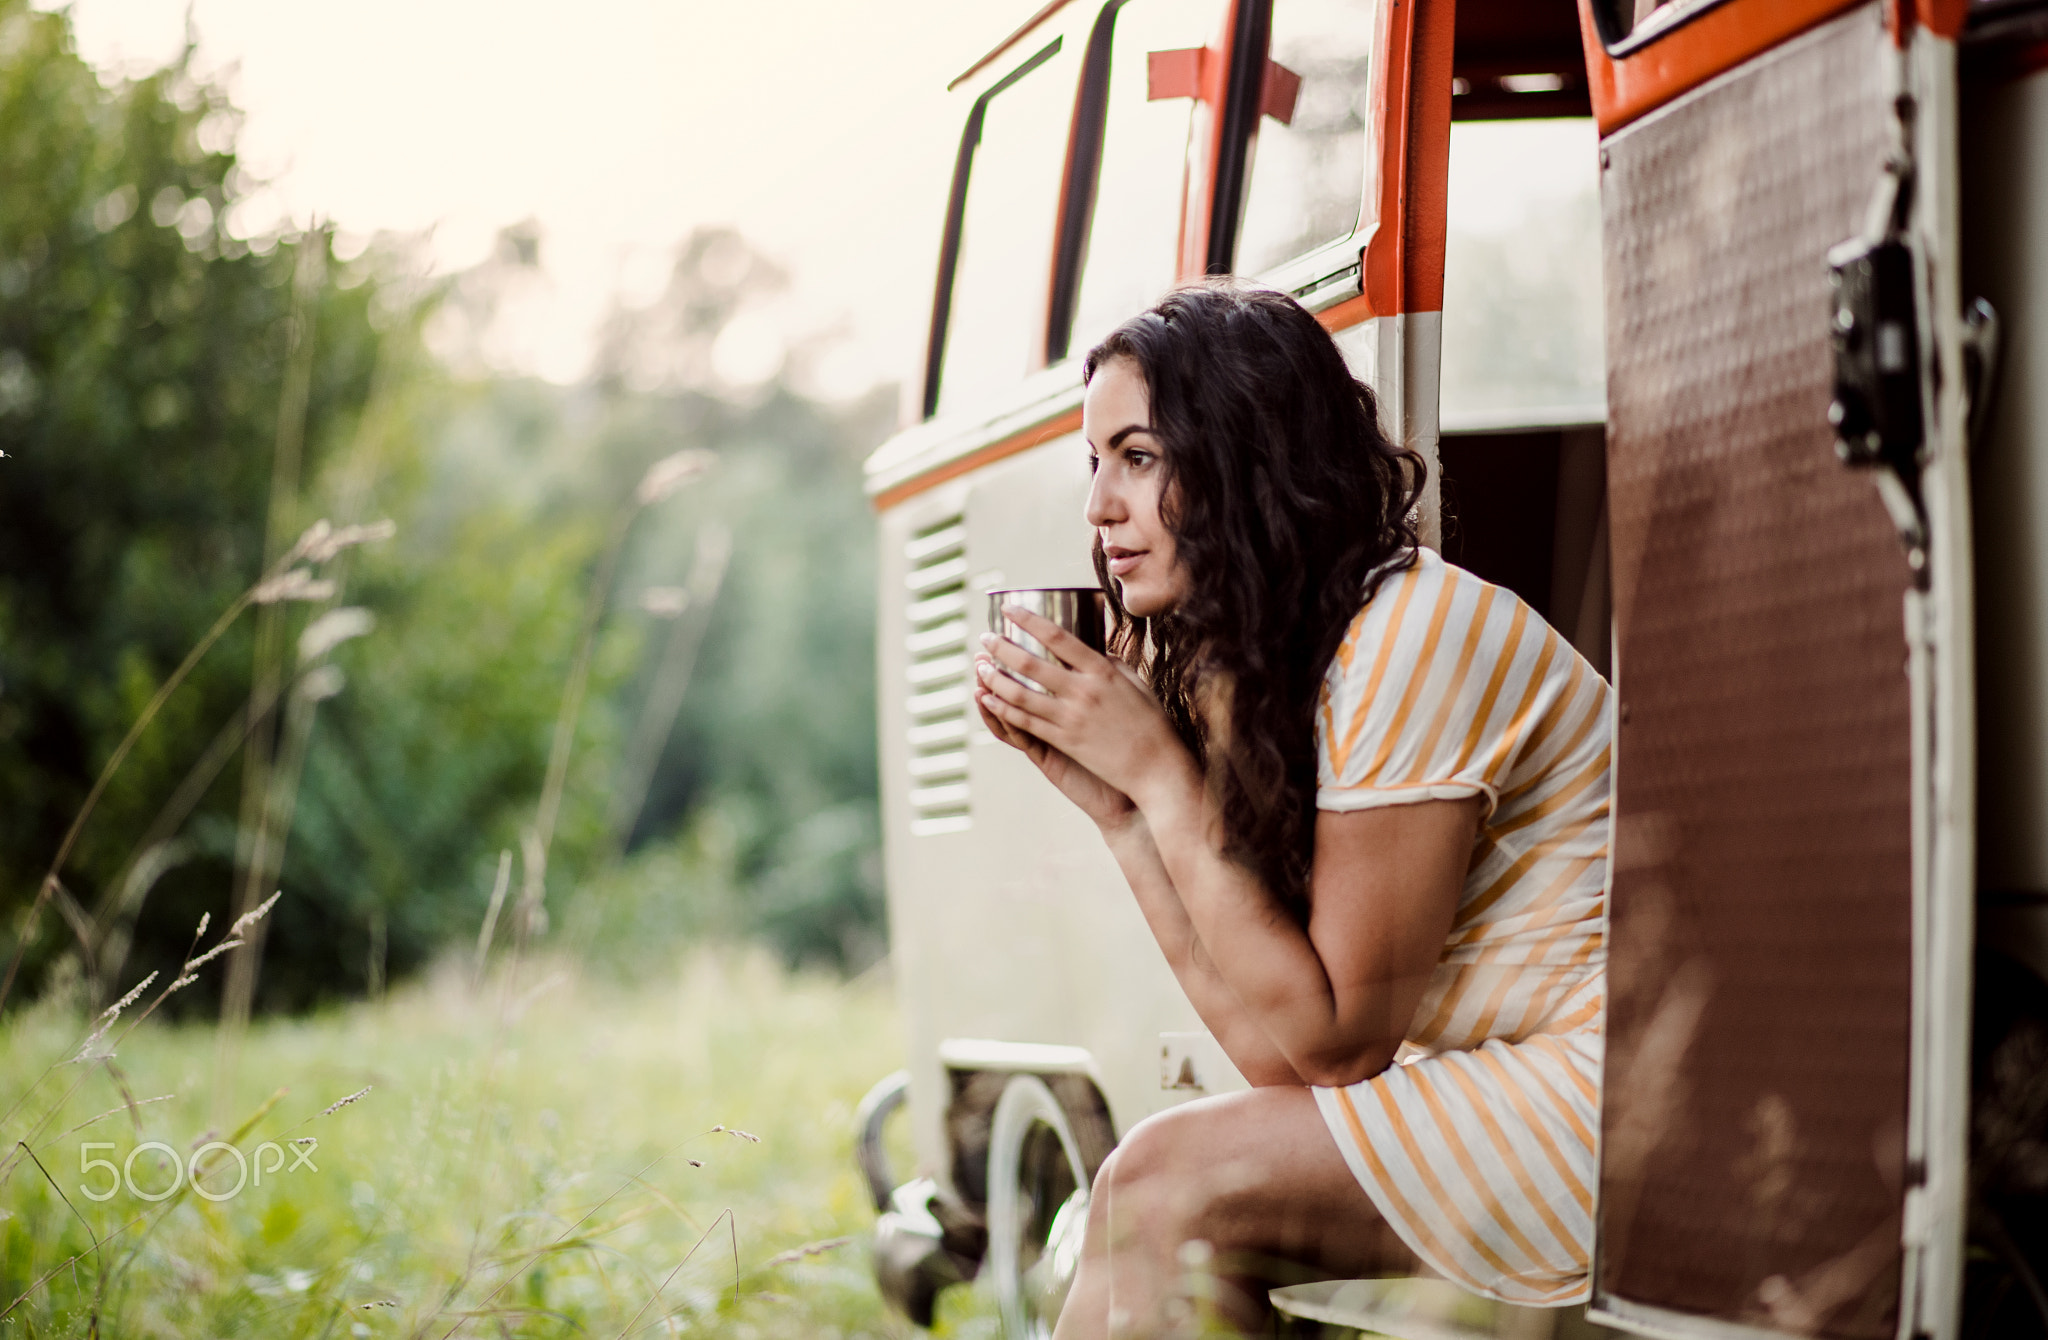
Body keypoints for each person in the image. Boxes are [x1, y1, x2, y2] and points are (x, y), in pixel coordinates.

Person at [972, 280, 1611, 1336]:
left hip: (1616, 1093)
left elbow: (1334, 1050)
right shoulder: (1289, 659)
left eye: (1137, 456)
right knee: (1157, 1209)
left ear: (1240, 457)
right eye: (1095, 462)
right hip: (1508, 1085)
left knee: (1156, 1183)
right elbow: (1277, 1055)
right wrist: (1124, 810)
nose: (1098, 506)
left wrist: (1164, 778)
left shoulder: (1406, 633)